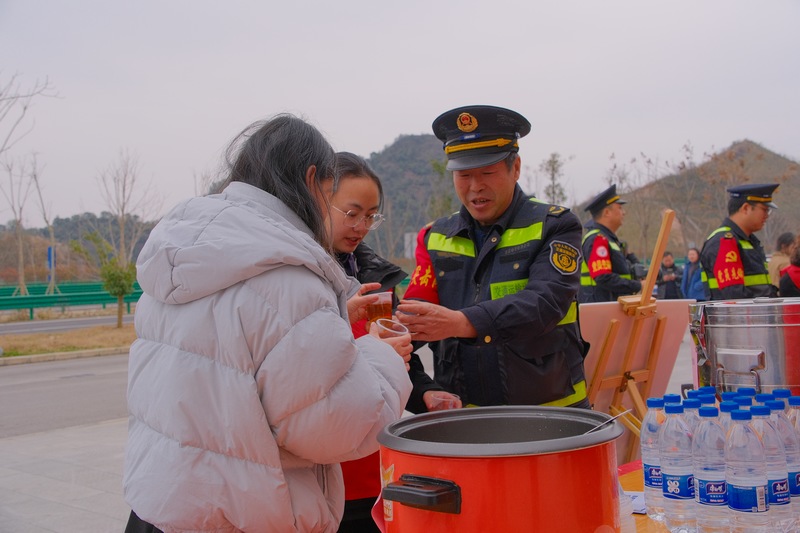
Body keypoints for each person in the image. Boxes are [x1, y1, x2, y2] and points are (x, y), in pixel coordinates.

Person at [123, 115, 412, 533]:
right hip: (239, 513)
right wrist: (380, 354)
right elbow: (341, 427)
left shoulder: (177, 259)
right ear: (313, 180)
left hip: (159, 503)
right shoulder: (288, 276)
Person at [397, 105, 589, 410]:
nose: (475, 187)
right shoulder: (436, 237)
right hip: (466, 424)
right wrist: (421, 389)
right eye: (464, 175)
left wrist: (462, 321)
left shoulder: (555, 225)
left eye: (487, 172)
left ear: (516, 168)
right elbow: (414, 323)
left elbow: (545, 302)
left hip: (551, 417)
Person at [328, 152, 430, 533]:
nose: (361, 226)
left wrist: (427, 393)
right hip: (326, 470)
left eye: (371, 216)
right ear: (319, 201)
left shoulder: (376, 275)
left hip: (375, 467)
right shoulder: (296, 279)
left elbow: (404, 358)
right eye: (352, 213)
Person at [699, 183, 780, 300]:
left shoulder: (748, 241)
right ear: (746, 208)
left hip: (757, 316)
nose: (767, 216)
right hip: (738, 317)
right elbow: (735, 298)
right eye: (764, 210)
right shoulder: (725, 242)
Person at [578, 184, 642, 303]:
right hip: (602, 310)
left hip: (609, 307)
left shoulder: (609, 240)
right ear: (607, 212)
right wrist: (637, 285)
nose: (624, 213)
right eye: (620, 208)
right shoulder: (598, 239)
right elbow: (603, 277)